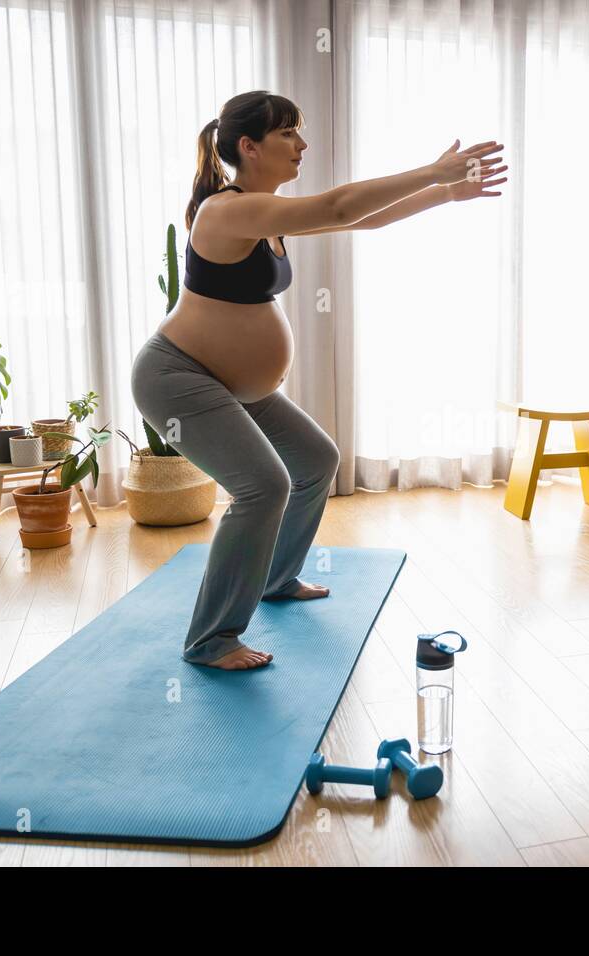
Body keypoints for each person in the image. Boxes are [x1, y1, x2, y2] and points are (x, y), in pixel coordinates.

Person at [131, 90, 506, 670]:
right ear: (250, 147)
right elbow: (338, 208)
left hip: (236, 385)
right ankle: (212, 639)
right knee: (263, 486)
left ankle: (277, 578)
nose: (302, 145)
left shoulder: (267, 211)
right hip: (180, 377)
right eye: (288, 135)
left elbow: (364, 218)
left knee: (314, 460)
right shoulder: (226, 211)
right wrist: (433, 169)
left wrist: (443, 192)